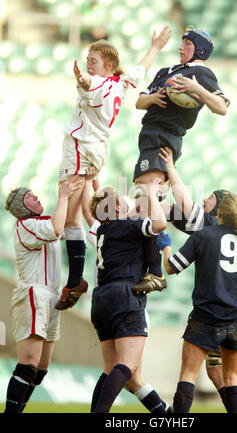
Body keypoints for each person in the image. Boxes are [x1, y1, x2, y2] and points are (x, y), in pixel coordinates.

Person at [55, 26, 172, 310]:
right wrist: (155, 46)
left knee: (71, 219)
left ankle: (74, 281)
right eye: (87, 60)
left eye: (92, 60)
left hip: (81, 148)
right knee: (79, 214)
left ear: (107, 65)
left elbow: (86, 84)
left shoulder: (97, 82)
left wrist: (80, 77)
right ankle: (75, 281)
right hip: (94, 149)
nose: (88, 64)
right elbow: (140, 69)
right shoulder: (120, 81)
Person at [158, 192, 237, 413]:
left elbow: (171, 267)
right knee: (231, 378)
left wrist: (165, 246)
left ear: (219, 212)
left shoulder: (205, 234)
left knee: (188, 375)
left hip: (206, 318)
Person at [83, 175, 172, 413]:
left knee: (110, 366)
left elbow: (93, 208)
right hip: (124, 296)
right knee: (128, 365)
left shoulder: (102, 230)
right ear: (119, 207)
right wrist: (152, 193)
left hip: (101, 297)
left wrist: (91, 185)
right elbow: (160, 224)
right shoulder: (126, 226)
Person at [3, 176, 84, 413]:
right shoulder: (26, 225)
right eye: (29, 196)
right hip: (33, 294)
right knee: (28, 364)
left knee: (40, 371)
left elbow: (68, 221)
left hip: (50, 297)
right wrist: (63, 195)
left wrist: (83, 185)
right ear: (21, 207)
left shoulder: (42, 223)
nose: (35, 196)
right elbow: (57, 228)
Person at [133, 26, 230, 189]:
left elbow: (221, 107)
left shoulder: (200, 73)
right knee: (148, 192)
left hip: (163, 136)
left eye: (187, 43)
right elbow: (139, 103)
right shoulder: (165, 72)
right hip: (149, 136)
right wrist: (153, 98)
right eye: (181, 42)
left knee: (147, 189)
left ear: (201, 50)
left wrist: (196, 88)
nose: (181, 47)